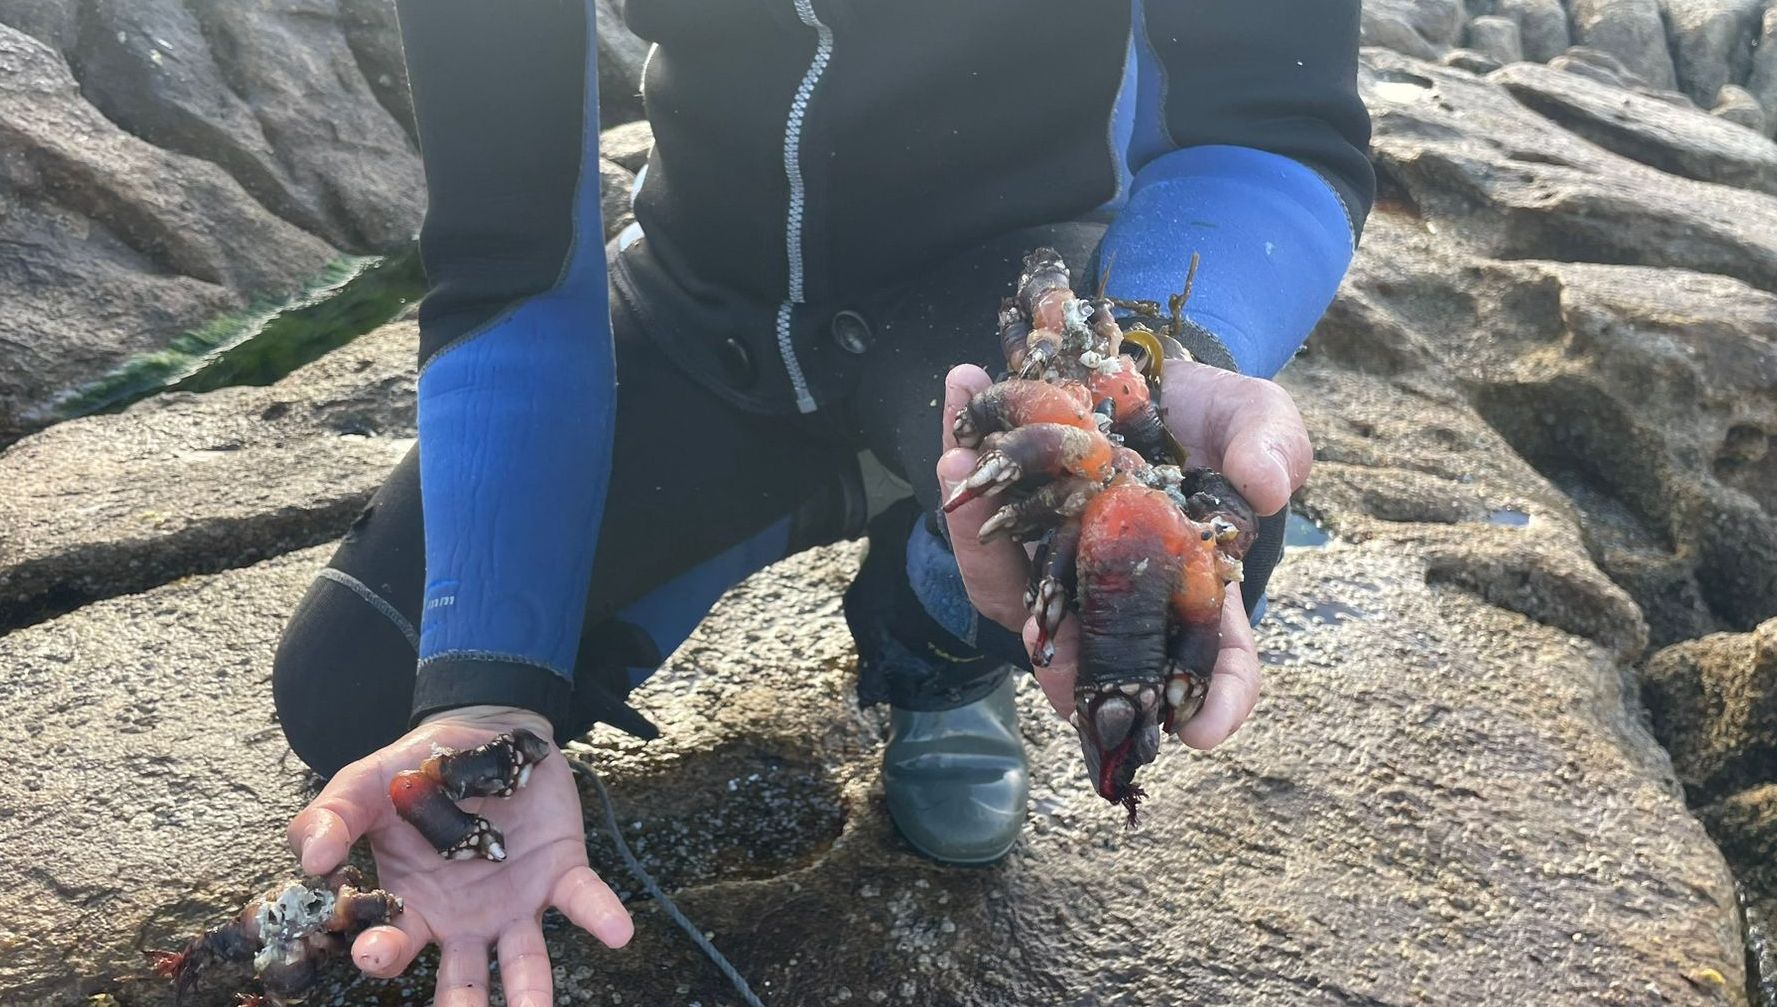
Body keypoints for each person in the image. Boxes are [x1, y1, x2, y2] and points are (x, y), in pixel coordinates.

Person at [270, 1, 1373, 1003]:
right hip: (706, 315)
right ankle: (883, 499)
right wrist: (486, 681)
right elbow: (507, 255)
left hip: (1002, 309)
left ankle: (934, 642)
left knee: (1140, 526)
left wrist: (1156, 350)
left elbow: (1274, 122)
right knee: (371, 690)